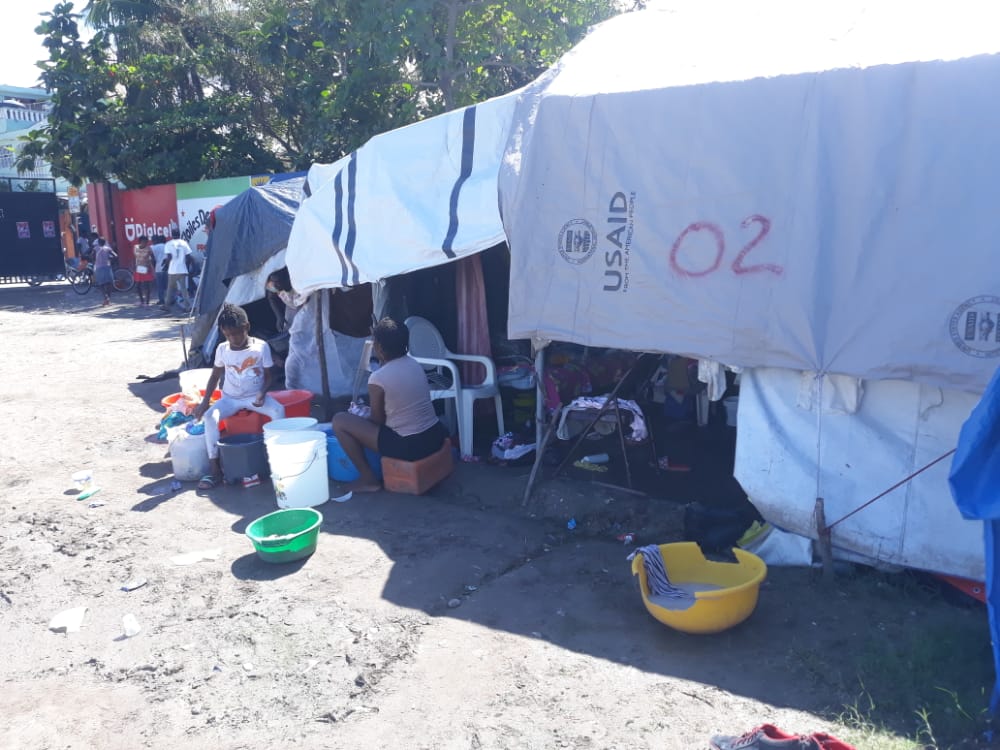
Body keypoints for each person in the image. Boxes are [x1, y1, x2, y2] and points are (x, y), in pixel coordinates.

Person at [331, 317, 449, 493]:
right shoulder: (414, 364)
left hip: (410, 445)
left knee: (340, 421)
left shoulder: (378, 378)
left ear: (378, 348)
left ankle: (368, 479)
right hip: (434, 435)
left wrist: (361, 416)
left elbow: (378, 420)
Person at [192, 303, 285, 489]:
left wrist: (262, 392)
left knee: (278, 410)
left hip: (254, 397)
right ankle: (215, 469)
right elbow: (215, 376)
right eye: (228, 335)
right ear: (222, 333)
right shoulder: (222, 349)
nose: (233, 339)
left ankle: (278, 461)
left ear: (247, 327)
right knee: (210, 417)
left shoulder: (261, 347)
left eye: (237, 333)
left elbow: (269, 376)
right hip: (229, 399)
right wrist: (204, 403)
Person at [265, 267, 305, 333]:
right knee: (289, 329)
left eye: (277, 282)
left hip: (306, 302)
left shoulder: (295, 279)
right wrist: (279, 316)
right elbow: (271, 298)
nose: (275, 285)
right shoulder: (272, 285)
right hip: (290, 306)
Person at [162, 228, 192, 311]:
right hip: (182, 270)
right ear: (179, 234)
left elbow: (169, 257)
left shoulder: (168, 244)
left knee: (170, 289)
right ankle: (187, 307)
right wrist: (186, 266)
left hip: (172, 270)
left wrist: (166, 266)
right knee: (184, 289)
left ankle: (166, 305)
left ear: (172, 234)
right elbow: (189, 257)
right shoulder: (184, 243)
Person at [133, 235, 155, 306]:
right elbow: (135, 258)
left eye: (146, 242)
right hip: (138, 268)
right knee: (137, 286)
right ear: (140, 242)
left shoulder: (149, 248)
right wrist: (134, 266)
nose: (145, 243)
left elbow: (153, 258)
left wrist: (152, 267)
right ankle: (141, 301)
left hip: (146, 268)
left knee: (146, 286)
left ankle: (147, 302)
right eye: (143, 242)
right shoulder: (135, 247)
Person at [93, 237, 116, 306]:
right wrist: (110, 260)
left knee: (101, 284)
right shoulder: (108, 248)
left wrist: (95, 260)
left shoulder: (95, 248)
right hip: (107, 267)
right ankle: (108, 299)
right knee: (109, 283)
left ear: (98, 242)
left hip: (99, 267)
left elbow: (92, 256)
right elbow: (115, 255)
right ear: (105, 242)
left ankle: (105, 297)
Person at [151, 234, 168, 306]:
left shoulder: (152, 247)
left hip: (158, 269)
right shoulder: (167, 246)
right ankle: (169, 299)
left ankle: (161, 300)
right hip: (167, 268)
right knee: (168, 286)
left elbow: (152, 259)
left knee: (160, 286)